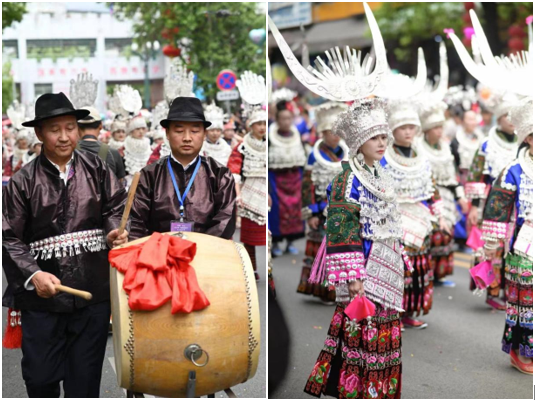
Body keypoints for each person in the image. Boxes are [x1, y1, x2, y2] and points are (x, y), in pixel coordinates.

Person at [2, 92, 128, 397]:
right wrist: (33, 274)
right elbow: (10, 238)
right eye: (55, 129)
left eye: (70, 127)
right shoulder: (23, 181)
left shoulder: (98, 169)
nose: (64, 137)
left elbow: (115, 209)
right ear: (39, 133)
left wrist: (114, 231)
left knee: (84, 383)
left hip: (91, 295)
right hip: (44, 300)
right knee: (40, 379)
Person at [305, 98, 410, 398]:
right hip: (362, 266)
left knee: (383, 331)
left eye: (383, 137)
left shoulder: (380, 174)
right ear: (359, 142)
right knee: (361, 335)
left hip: (386, 267)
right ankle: (357, 391)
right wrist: (353, 276)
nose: (381, 143)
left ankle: (378, 391)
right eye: (374, 138)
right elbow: (342, 229)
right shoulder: (346, 180)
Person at [130, 96, 236, 240]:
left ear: (204, 134)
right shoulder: (149, 175)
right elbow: (136, 223)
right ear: (167, 133)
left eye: (194, 131)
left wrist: (198, 247)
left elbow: (225, 220)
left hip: (207, 255)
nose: (187, 138)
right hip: (158, 255)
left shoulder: (219, 174)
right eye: (179, 131)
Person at [381, 100, 445, 329]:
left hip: (420, 220)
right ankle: (390, 313)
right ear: (393, 130)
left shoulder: (422, 156)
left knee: (417, 269)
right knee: (396, 268)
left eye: (411, 127)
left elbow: (432, 187)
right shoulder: (384, 156)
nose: (408, 132)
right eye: (402, 127)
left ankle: (407, 312)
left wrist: (440, 214)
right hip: (393, 220)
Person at [482, 97, 533, 374]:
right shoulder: (513, 171)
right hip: (523, 248)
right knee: (525, 303)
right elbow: (497, 209)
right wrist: (491, 246)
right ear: (528, 139)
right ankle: (519, 351)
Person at [465, 93, 519, 310]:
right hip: (492, 202)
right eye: (506, 115)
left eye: (513, 115)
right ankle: (491, 290)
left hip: (516, 205)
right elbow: (476, 175)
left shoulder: (524, 143)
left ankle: (511, 290)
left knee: (513, 246)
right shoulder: (487, 143)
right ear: (498, 117)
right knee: (492, 245)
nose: (510, 119)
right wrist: (476, 207)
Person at [298, 101, 348, 304]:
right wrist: (311, 213)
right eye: (330, 132)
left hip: (342, 211)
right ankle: (321, 289)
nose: (335, 136)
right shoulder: (314, 155)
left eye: (338, 132)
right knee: (321, 250)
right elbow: (307, 185)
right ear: (323, 133)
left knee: (341, 251)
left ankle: (340, 290)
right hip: (320, 210)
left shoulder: (349, 153)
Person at [417, 99, 468, 287]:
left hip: (445, 196)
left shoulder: (446, 148)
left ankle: (439, 274)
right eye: (435, 128)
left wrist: (460, 197)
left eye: (441, 127)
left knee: (446, 234)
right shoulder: (418, 148)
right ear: (427, 130)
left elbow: (453, 176)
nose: (439, 131)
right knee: (431, 234)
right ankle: (425, 271)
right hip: (426, 195)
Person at [228, 108, 267, 280]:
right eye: (258, 123)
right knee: (249, 237)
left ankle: (270, 271)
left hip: (266, 191)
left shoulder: (268, 144)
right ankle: (252, 269)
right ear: (251, 126)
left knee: (268, 236)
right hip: (248, 192)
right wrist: (238, 194)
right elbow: (234, 171)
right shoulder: (242, 146)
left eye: (264, 123)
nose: (262, 127)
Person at [268, 102, 307, 256]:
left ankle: (291, 242)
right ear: (277, 119)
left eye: (289, 118)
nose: (286, 122)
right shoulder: (270, 135)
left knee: (295, 211)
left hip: (295, 179)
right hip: (276, 179)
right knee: (277, 211)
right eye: (283, 118)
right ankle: (276, 243)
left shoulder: (296, 135)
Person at [77, 106, 126, 184]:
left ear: (77, 127)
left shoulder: (69, 153)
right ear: (100, 126)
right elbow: (121, 185)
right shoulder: (113, 153)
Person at [201, 102, 232, 166]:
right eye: (212, 130)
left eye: (218, 130)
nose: (215, 133)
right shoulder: (201, 147)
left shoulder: (226, 147)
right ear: (206, 131)